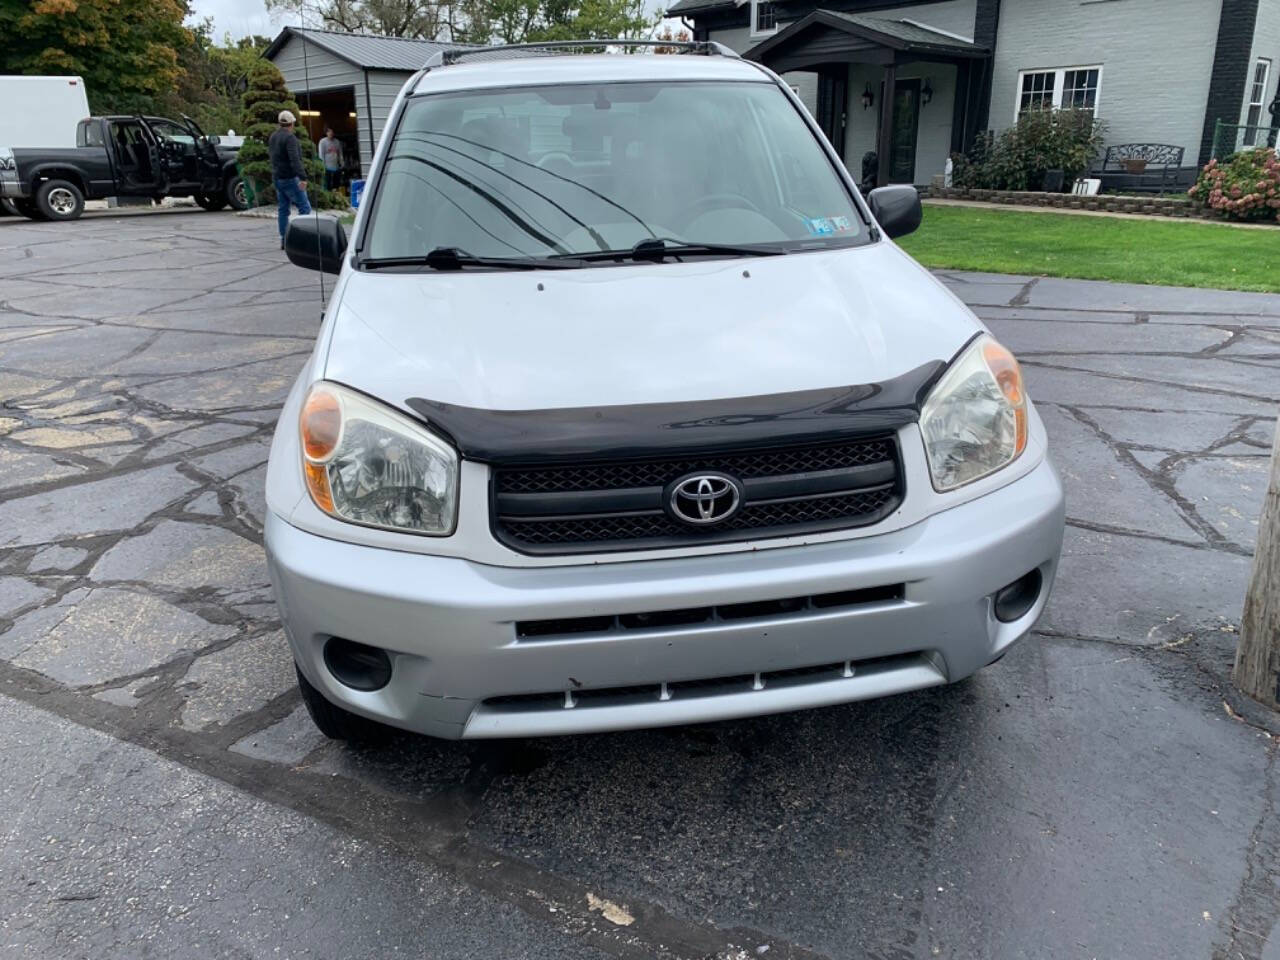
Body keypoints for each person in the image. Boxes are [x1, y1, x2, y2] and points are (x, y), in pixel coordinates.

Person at [268, 110, 311, 248]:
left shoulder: (273, 137)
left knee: (283, 209)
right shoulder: (290, 138)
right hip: (290, 178)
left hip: (278, 178)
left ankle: (284, 239)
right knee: (304, 207)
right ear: (292, 123)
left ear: (280, 123)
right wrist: (303, 177)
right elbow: (295, 160)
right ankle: (302, 239)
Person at [317, 126, 343, 191]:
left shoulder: (337, 142)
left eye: (332, 131)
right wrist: (322, 166)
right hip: (327, 167)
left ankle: (336, 196)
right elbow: (321, 155)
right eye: (329, 131)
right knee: (328, 184)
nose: (331, 133)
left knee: (336, 185)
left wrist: (342, 162)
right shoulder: (322, 142)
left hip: (336, 167)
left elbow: (340, 153)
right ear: (326, 133)